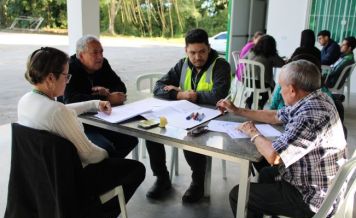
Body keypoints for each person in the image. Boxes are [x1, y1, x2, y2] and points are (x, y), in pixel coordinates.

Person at [18, 47, 145, 218]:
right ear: (51, 78)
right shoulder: (56, 112)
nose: (67, 81)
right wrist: (108, 154)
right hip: (71, 182)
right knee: (136, 168)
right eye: (66, 77)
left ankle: (99, 217)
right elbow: (91, 155)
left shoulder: (27, 100)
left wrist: (93, 103)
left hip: (42, 176)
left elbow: (63, 109)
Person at [217, 60, 346, 218]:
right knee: (265, 174)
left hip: (310, 198)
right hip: (320, 183)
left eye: (281, 86)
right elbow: (275, 116)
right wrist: (238, 110)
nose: (279, 90)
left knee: (238, 195)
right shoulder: (316, 98)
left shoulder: (308, 115)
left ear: (292, 90)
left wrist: (253, 133)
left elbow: (274, 156)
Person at [145, 28, 231, 203]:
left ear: (209, 48)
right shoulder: (182, 64)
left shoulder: (221, 65)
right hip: (184, 114)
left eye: (202, 52)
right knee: (152, 133)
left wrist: (193, 95)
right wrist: (179, 95)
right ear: (186, 50)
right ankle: (162, 178)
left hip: (212, 118)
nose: (197, 57)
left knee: (191, 136)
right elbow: (159, 87)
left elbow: (218, 95)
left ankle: (197, 183)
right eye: (192, 52)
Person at [64, 35, 138, 159]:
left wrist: (108, 92)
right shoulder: (69, 68)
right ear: (81, 55)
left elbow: (120, 87)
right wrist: (105, 98)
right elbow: (69, 100)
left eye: (101, 52)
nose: (100, 57)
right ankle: (105, 171)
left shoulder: (103, 64)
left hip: (103, 120)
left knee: (130, 139)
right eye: (95, 53)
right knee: (105, 147)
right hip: (80, 124)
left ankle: (108, 171)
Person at [245, 34, 285, 109]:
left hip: (247, 81)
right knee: (271, 85)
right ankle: (260, 104)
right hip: (260, 83)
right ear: (272, 46)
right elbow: (282, 64)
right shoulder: (271, 55)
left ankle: (249, 100)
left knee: (258, 85)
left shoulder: (252, 52)